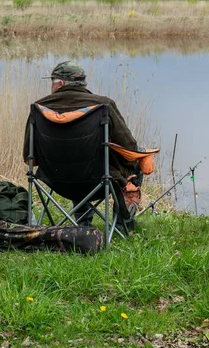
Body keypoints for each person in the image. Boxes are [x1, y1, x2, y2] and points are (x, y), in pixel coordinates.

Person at [23, 60, 142, 229]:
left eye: (52, 82)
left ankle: (83, 221)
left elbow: (29, 156)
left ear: (60, 84)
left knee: (74, 160)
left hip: (56, 179)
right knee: (138, 157)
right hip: (98, 180)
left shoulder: (39, 108)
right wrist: (126, 167)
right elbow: (130, 147)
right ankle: (123, 224)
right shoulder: (103, 105)